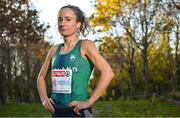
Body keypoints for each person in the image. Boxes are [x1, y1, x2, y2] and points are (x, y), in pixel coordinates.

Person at [37, 5, 114, 117]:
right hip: (57, 112)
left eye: (68, 19)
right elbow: (40, 77)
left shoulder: (85, 45)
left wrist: (89, 101)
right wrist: (44, 99)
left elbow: (108, 73)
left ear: (78, 24)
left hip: (78, 111)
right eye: (60, 19)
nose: (62, 23)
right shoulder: (54, 50)